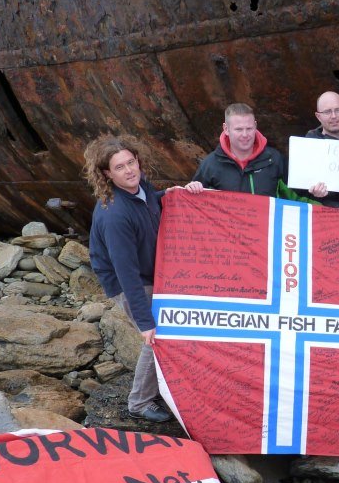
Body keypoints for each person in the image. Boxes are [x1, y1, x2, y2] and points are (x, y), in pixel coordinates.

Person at [84, 134, 172, 423]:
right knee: (158, 338)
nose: (129, 171)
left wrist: (173, 193)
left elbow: (151, 205)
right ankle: (140, 402)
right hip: (129, 281)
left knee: (164, 333)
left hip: (151, 270)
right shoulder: (115, 215)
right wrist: (144, 322)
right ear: (107, 174)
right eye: (120, 167)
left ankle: (157, 388)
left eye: (131, 162)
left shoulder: (141, 187)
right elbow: (126, 273)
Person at [185, 103, 290, 197]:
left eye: (249, 128)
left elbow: (298, 196)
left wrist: (306, 189)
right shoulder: (211, 164)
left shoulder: (275, 159)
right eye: (239, 129)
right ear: (226, 129)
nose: (245, 135)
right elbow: (193, 205)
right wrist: (193, 188)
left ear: (255, 126)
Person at [305, 91, 339, 208]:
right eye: (327, 112)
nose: (333, 116)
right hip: (331, 214)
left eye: (338, 110)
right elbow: (302, 194)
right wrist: (317, 195)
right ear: (318, 116)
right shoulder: (309, 145)